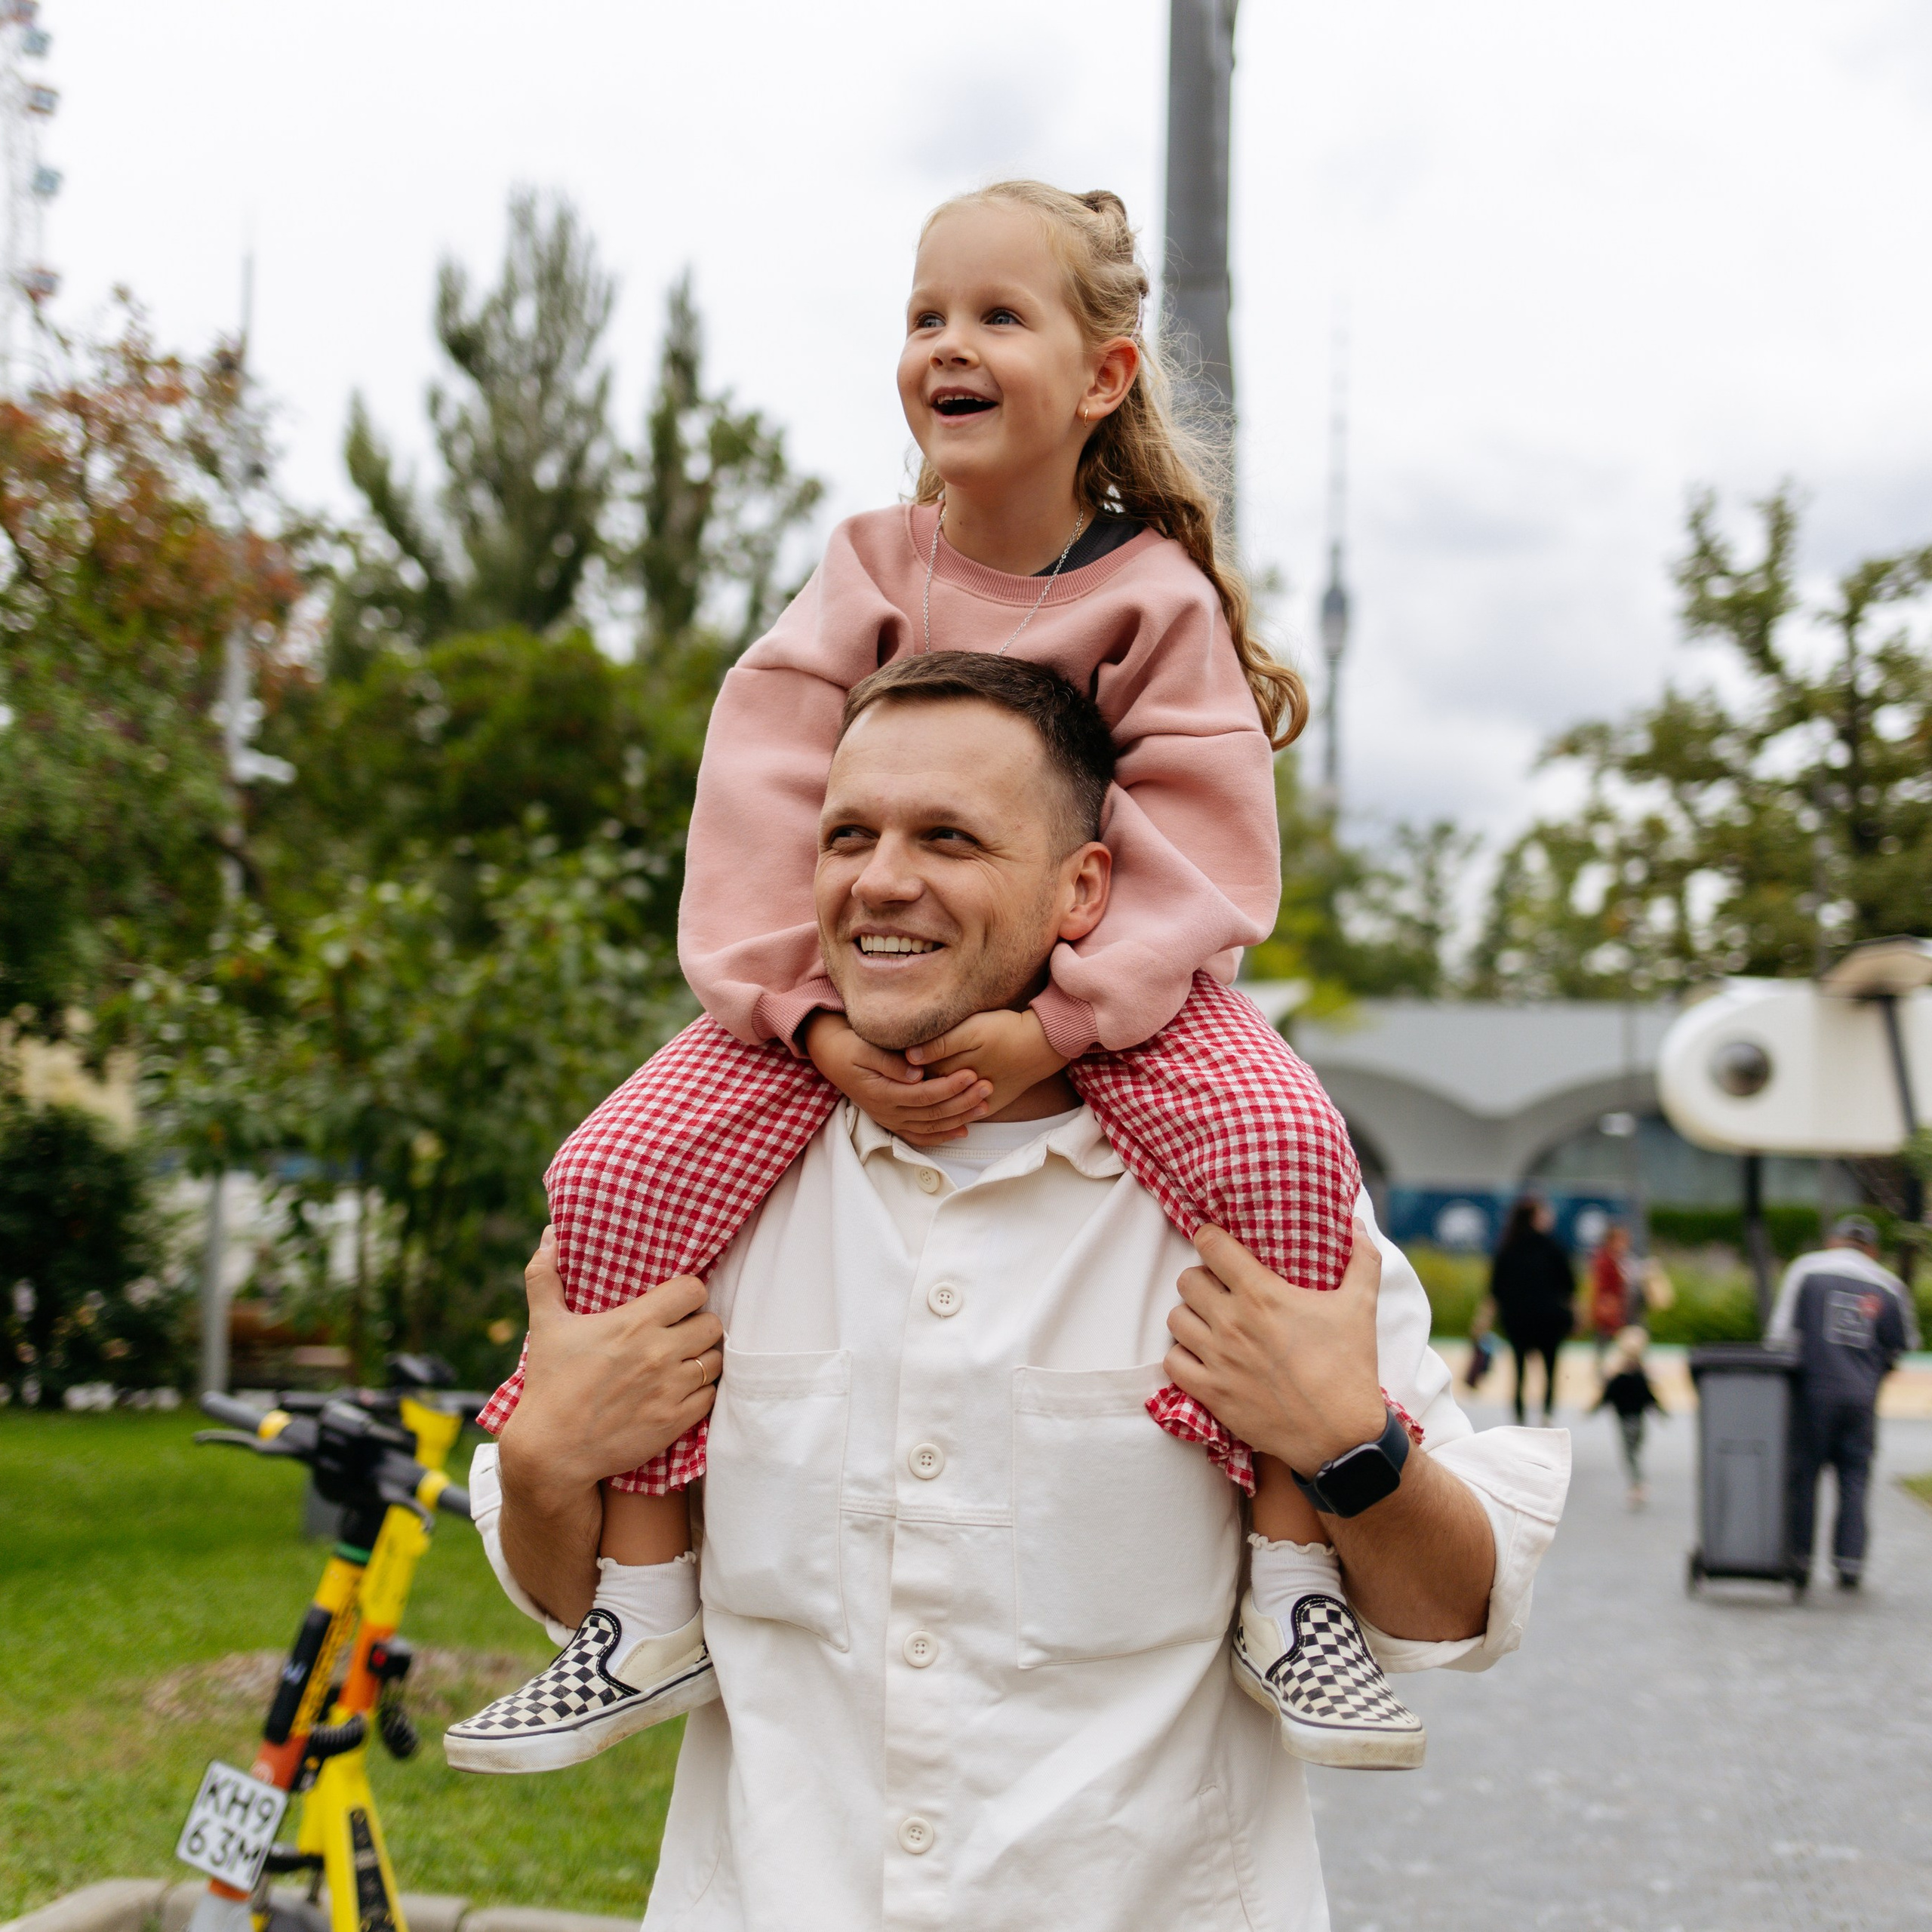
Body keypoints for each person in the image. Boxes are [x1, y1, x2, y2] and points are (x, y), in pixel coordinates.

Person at [452, 181, 1409, 1770]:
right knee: (614, 1170)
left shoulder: (1148, 595)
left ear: (1101, 376)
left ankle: (1294, 1573)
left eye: (992, 315)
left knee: (1287, 1154)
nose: (944, 346)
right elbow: (765, 790)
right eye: (921, 316)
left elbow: (1194, 839)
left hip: (1114, 999)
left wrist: (1053, 1024)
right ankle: (642, 1595)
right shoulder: (867, 567)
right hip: (849, 993)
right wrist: (809, 1017)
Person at [464, 666, 1571, 1927]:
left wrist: (1348, 1449)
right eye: (848, 835)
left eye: (948, 836)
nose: (881, 879)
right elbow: (575, 1600)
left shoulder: (1259, 1213)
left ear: (1081, 890)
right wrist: (550, 1460)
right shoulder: (705, 1201)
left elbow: (1460, 1615)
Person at [1768, 1213, 1919, 1590]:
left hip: (1813, 1395)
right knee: (1855, 1478)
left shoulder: (1807, 1271)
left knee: (1804, 1475)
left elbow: (1780, 1337)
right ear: (1871, 1249)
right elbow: (1904, 1346)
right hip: (1862, 1400)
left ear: (1834, 1240)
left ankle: (1799, 1560)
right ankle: (1849, 1564)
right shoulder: (1890, 1286)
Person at [1488, 1195, 1575, 1426]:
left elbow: (1496, 1288)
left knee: (1518, 1371)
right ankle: (1546, 1415)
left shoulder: (1508, 1247)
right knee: (1550, 1369)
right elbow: (1569, 1285)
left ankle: (1519, 1417)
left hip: (1517, 1320)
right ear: (1536, 1218)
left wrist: (1486, 1320)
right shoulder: (1554, 1246)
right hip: (1549, 1319)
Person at [1592, 1324, 1663, 1508]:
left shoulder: (1626, 1375)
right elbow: (1649, 1396)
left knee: (1631, 1450)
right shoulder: (1631, 1375)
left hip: (1629, 1417)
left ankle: (1637, 1483)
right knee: (1632, 1450)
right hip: (1631, 1418)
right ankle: (1637, 1483)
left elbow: (1608, 1394)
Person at [1587, 1223, 1638, 1359]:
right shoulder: (1605, 1260)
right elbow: (1602, 1285)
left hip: (1622, 1306)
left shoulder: (1622, 1259)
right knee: (1605, 1338)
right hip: (1610, 1306)